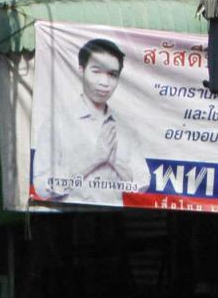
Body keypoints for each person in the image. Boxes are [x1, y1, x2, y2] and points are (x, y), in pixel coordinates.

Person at [35, 36, 146, 203]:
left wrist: (115, 161)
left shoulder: (126, 129)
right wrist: (93, 159)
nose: (104, 82)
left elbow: (142, 184)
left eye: (112, 74)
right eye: (96, 72)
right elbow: (42, 187)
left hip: (114, 218)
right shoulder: (57, 123)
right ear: (81, 70)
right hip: (66, 218)